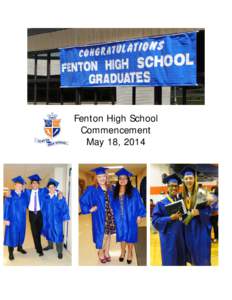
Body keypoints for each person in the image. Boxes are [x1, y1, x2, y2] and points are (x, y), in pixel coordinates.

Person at [79, 167, 115, 263]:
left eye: (104, 176)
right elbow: (82, 199)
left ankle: (107, 252)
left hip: (110, 215)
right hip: (99, 215)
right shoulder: (92, 189)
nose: (102, 178)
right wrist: (89, 209)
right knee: (102, 235)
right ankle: (100, 252)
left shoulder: (110, 188)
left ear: (106, 177)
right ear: (96, 178)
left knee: (109, 235)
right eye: (99, 177)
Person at [112, 168, 146, 264]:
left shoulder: (134, 191)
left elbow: (139, 203)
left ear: (128, 179)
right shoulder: (115, 191)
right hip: (120, 218)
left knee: (130, 236)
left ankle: (130, 253)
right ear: (118, 180)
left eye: (125, 178)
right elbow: (112, 204)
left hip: (131, 217)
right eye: (120, 178)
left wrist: (139, 215)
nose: (122, 180)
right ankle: (123, 252)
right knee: (122, 236)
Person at [152, 173, 186, 266]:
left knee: (181, 262)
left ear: (178, 188)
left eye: (176, 186)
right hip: (168, 241)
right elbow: (155, 221)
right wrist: (170, 218)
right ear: (167, 187)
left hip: (180, 240)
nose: (174, 188)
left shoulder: (181, 203)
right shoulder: (161, 204)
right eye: (171, 186)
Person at [181, 166, 212, 266]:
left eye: (190, 178)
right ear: (183, 180)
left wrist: (200, 213)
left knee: (202, 257)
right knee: (193, 257)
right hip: (189, 230)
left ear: (194, 179)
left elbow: (209, 211)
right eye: (186, 178)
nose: (188, 180)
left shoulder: (202, 193)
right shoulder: (183, 195)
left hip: (200, 230)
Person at [42, 178, 70, 259]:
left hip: (56, 220)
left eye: (53, 187)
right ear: (48, 188)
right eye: (50, 187)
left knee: (58, 235)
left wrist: (60, 200)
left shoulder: (59, 197)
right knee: (48, 232)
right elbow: (43, 208)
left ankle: (60, 251)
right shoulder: (46, 197)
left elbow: (64, 207)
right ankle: (50, 246)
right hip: (47, 219)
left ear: (55, 188)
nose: (51, 189)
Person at [3, 176, 29, 261]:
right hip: (12, 219)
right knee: (11, 235)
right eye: (17, 185)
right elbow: (6, 206)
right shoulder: (10, 194)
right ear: (14, 186)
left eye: (20, 186)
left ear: (22, 187)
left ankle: (19, 247)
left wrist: (25, 190)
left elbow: (28, 204)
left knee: (21, 234)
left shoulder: (24, 196)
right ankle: (10, 252)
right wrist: (6, 219)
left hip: (22, 220)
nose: (19, 187)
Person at [25, 174, 47, 257]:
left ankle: (37, 245)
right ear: (31, 185)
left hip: (40, 213)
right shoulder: (27, 192)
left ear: (38, 184)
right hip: (31, 214)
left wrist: (59, 194)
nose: (34, 184)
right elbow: (17, 192)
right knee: (34, 232)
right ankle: (39, 249)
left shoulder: (42, 191)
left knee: (39, 232)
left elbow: (53, 190)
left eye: (36, 183)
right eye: (33, 183)